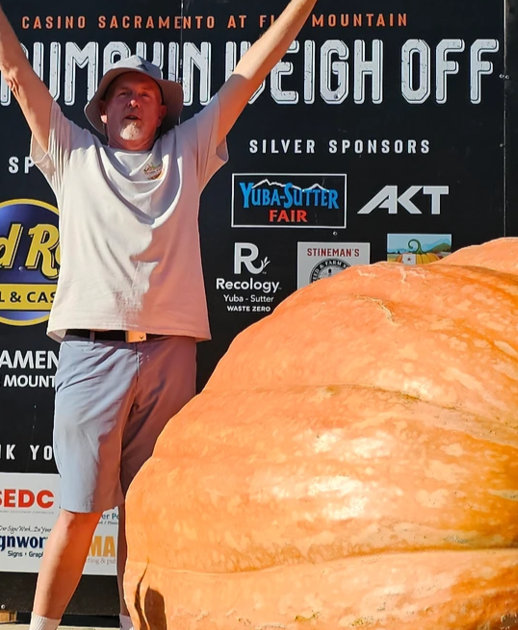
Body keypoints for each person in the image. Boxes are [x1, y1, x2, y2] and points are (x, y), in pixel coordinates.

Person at [0, 1, 320, 628]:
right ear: (103, 108)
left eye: (145, 92)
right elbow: (15, 71)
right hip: (91, 356)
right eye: (122, 92)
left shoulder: (188, 152)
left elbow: (250, 73)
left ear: (162, 109)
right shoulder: (70, 153)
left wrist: (301, 5)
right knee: (77, 510)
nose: (133, 101)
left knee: (150, 515)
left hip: (171, 356)